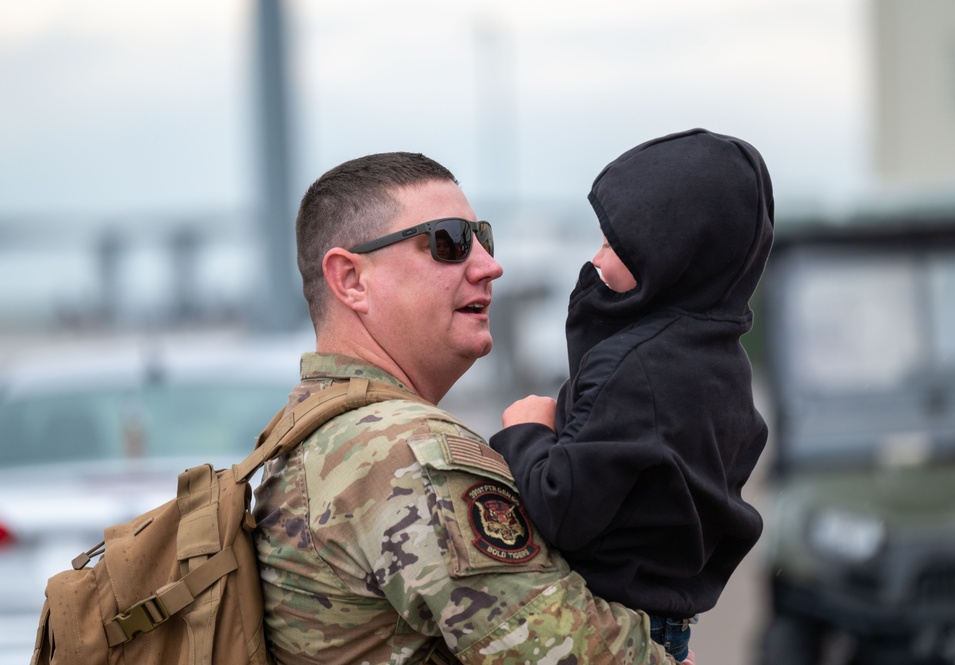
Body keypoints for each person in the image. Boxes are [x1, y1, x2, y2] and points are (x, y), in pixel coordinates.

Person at [252, 151, 688, 664]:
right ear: (350, 280)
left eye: (483, 238)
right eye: (449, 242)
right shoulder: (404, 452)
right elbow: (576, 655)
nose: (489, 266)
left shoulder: (307, 431)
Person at [490, 128, 775, 662]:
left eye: (612, 244)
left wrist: (526, 431)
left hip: (605, 625)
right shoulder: (721, 361)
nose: (595, 260)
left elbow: (562, 507)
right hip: (666, 625)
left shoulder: (636, 369)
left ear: (671, 254)